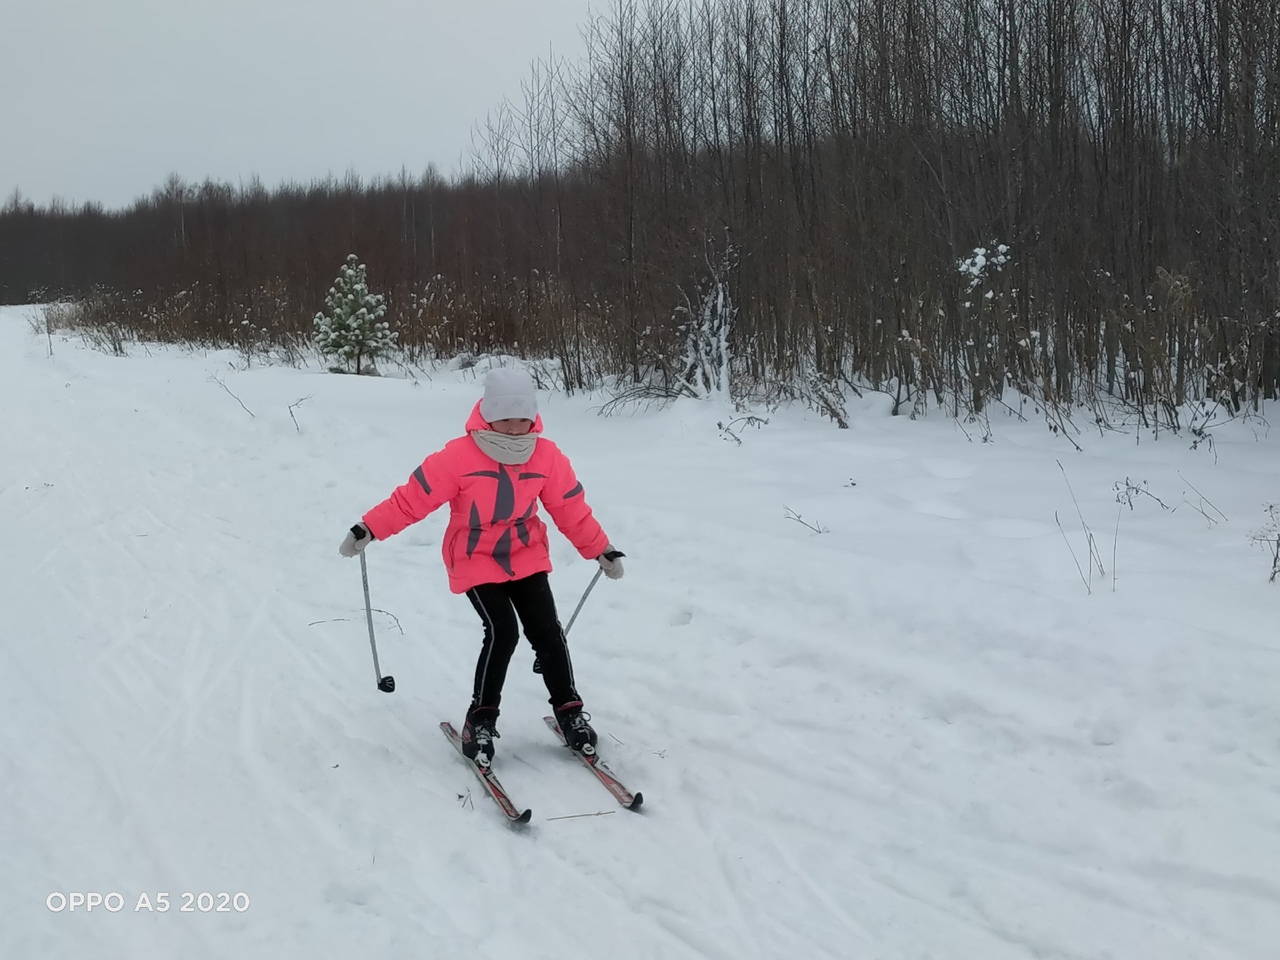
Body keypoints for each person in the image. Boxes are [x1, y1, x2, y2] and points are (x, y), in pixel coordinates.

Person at [338, 366, 624, 768]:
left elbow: (570, 508)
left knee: (546, 628)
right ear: (487, 414)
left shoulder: (546, 455)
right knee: (503, 630)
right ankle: (481, 720)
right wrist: (370, 527)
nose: (513, 427)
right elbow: (412, 498)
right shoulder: (459, 456)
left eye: (522, 418)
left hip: (525, 552)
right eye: (505, 418)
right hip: (474, 556)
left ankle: (569, 711)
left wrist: (601, 549)